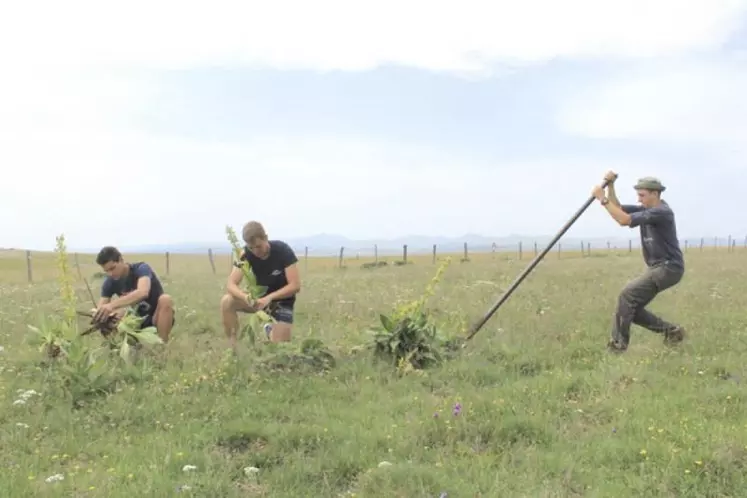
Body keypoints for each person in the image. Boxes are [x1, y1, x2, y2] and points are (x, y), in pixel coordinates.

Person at [592, 171, 686, 353]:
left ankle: (618, 346)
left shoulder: (661, 212)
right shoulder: (647, 210)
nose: (639, 199)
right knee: (630, 309)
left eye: (642, 195)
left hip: (668, 267)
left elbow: (624, 220)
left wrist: (602, 199)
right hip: (660, 267)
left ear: (655, 194)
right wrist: (611, 187)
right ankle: (672, 332)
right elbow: (618, 208)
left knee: (627, 296)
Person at [220, 221, 301, 349]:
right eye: (251, 248)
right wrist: (244, 297)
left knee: (280, 348)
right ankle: (233, 348)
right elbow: (231, 284)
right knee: (227, 301)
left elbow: (295, 286)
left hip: (281, 303)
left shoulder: (283, 250)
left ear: (266, 238)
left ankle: (269, 329)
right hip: (257, 300)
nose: (255, 251)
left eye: (258, 246)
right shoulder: (245, 255)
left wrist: (269, 298)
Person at [93, 246, 175, 343]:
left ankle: (162, 344)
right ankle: (121, 344)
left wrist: (111, 305)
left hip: (156, 316)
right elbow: (102, 306)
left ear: (121, 260)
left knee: (165, 299)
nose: (110, 274)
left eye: (112, 268)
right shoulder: (110, 282)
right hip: (134, 321)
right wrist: (100, 313)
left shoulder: (141, 268)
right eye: (106, 271)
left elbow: (143, 292)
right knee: (109, 317)